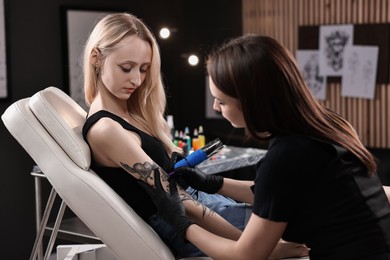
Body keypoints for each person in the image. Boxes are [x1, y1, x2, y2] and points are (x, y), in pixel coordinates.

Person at [141, 34, 390, 260]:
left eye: (221, 101)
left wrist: (183, 225)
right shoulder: (325, 124)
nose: (216, 108)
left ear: (251, 100)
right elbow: (278, 192)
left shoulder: (288, 155)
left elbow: (246, 255)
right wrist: (212, 183)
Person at [80, 13, 307, 258]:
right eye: (126, 68)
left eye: (144, 69)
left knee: (304, 210)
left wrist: (210, 183)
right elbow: (183, 205)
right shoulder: (106, 129)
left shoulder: (132, 114)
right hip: (190, 223)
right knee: (306, 225)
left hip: (204, 206)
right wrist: (261, 250)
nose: (136, 79)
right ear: (96, 57)